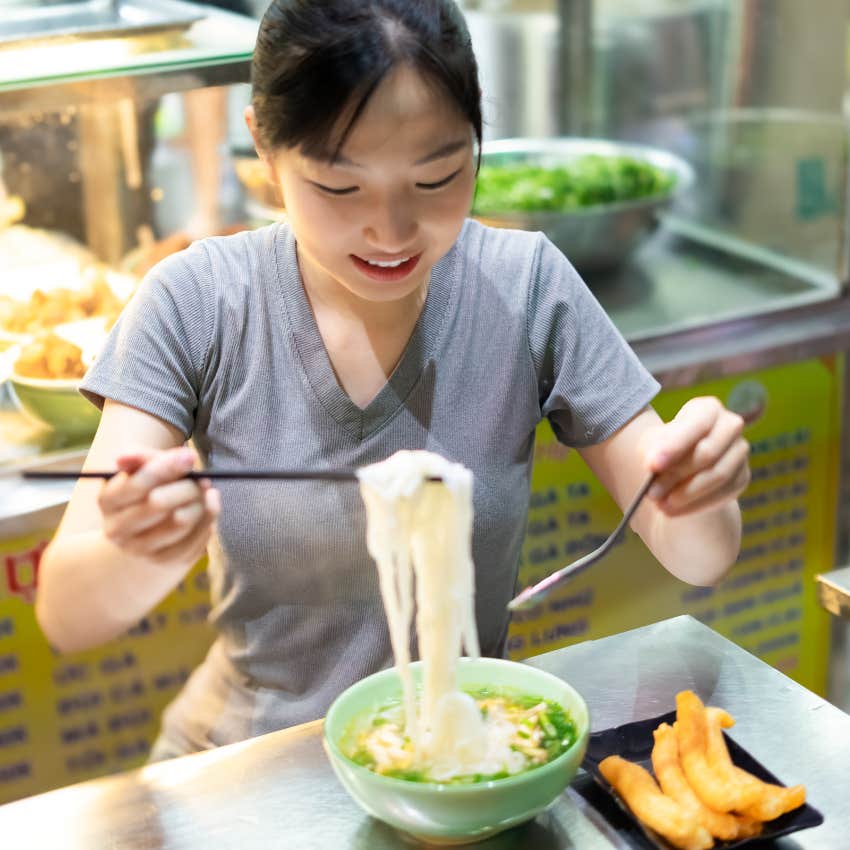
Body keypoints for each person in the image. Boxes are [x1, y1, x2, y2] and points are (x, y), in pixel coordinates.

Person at [35, 0, 750, 761]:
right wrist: (139, 549)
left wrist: (698, 489)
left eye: (437, 177)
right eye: (340, 188)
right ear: (265, 150)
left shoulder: (526, 285)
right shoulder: (199, 301)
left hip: (460, 761)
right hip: (254, 770)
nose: (393, 231)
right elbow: (68, 616)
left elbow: (699, 557)